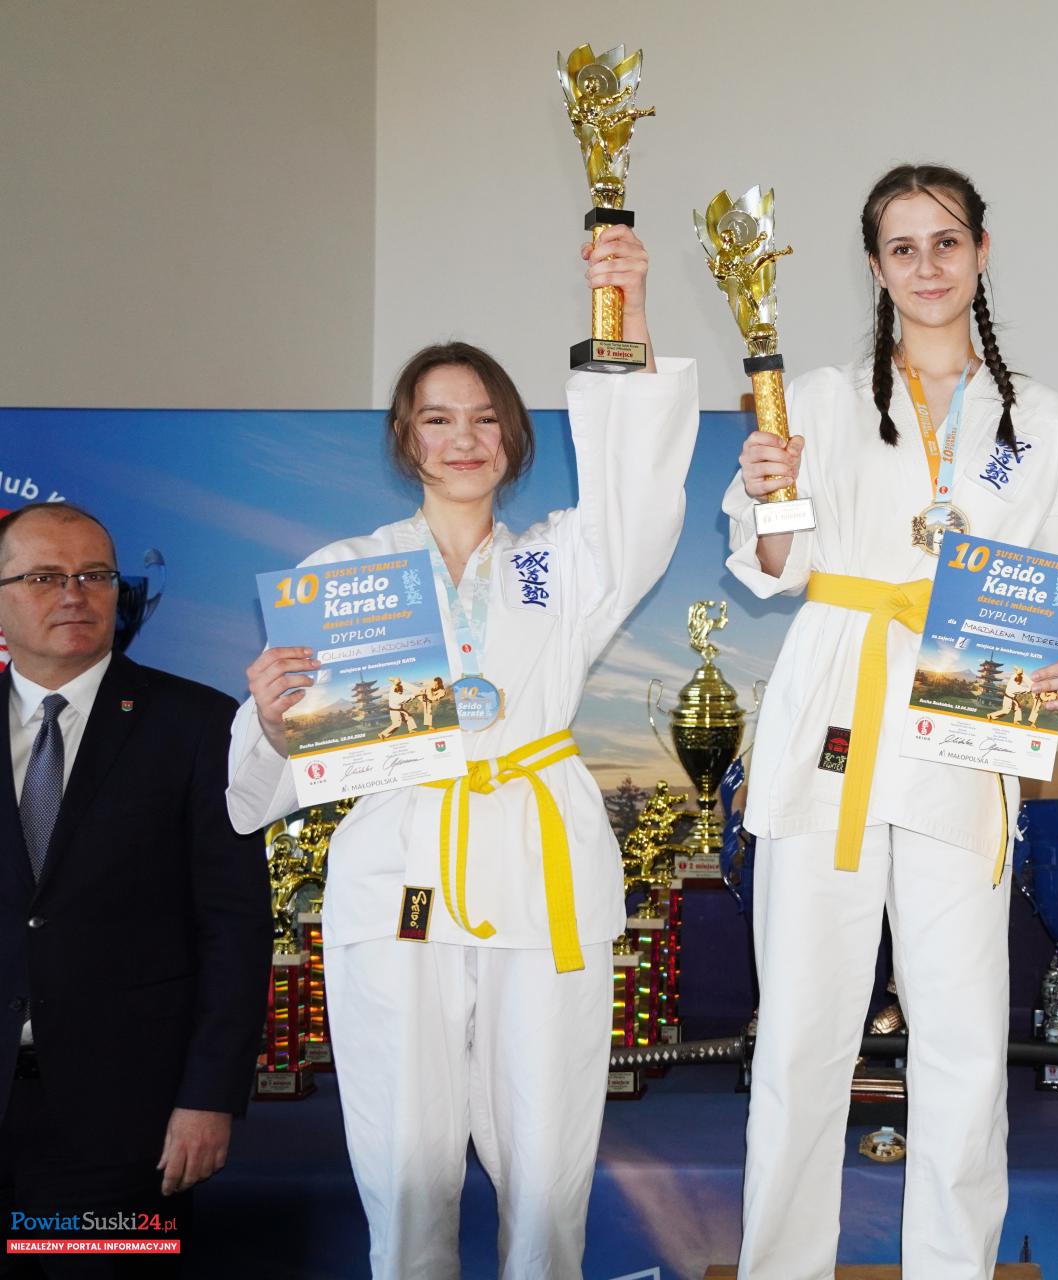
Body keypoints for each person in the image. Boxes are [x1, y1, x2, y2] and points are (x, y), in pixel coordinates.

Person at [226, 224, 697, 1280]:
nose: (464, 439)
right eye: (438, 419)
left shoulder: (558, 563)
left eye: (485, 418)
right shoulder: (347, 572)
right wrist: (271, 717)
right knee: (404, 1158)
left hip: (541, 864)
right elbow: (260, 778)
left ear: (515, 438)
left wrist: (623, 317)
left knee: (547, 1162)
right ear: (406, 439)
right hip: (400, 869)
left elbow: (637, 498)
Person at [723, 163, 1058, 1278]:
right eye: (903, 247)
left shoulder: (1039, 418)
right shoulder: (814, 399)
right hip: (836, 715)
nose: (928, 265)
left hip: (968, 731)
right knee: (800, 1039)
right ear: (875, 266)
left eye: (947, 242)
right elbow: (774, 566)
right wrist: (769, 487)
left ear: (982, 253)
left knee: (962, 1043)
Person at [0, 502, 271, 1272]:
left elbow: (235, 927)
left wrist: (209, 1096)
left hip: (126, 1128)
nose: (74, 594)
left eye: (95, 576)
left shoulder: (198, 724)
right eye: (44, 577)